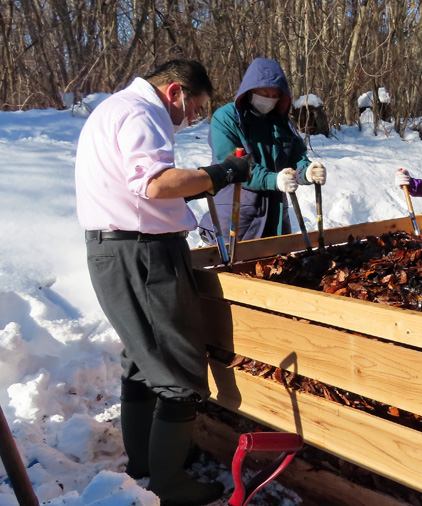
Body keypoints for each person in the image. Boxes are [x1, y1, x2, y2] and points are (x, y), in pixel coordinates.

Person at [75, 59, 249, 506]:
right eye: (196, 107)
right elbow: (154, 184)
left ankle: (146, 464)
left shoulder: (113, 108)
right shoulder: (142, 112)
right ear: (175, 92)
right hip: (143, 253)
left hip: (116, 250)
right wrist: (220, 174)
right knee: (180, 368)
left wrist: (206, 178)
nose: (193, 118)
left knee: (140, 359)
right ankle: (170, 486)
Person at [199, 57, 326, 243]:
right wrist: (274, 180)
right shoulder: (226, 119)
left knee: (280, 269)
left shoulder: (280, 122)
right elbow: (234, 166)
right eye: (264, 93)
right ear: (250, 90)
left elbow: (296, 157)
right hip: (236, 218)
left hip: (275, 220)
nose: (269, 100)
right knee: (236, 270)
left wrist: (307, 171)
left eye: (275, 96)